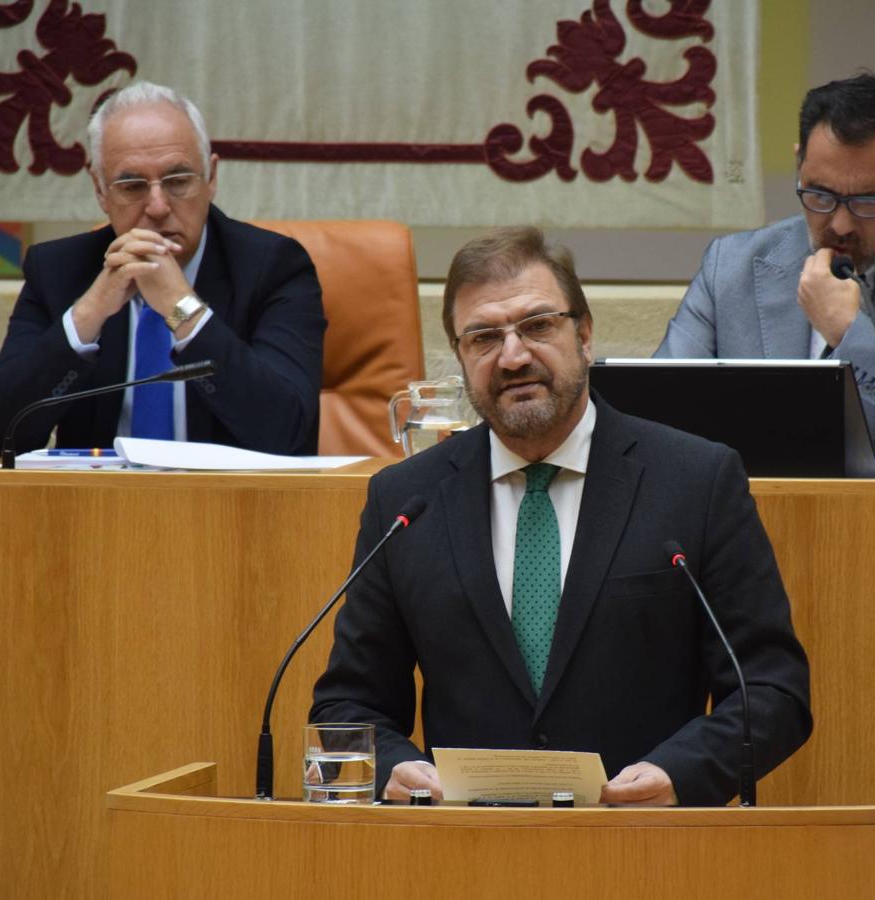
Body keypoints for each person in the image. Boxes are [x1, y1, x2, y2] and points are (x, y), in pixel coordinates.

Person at [311, 227, 811, 807]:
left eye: (537, 326)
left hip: (646, 853)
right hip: (463, 856)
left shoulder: (694, 482)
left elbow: (772, 691)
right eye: (483, 337)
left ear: (586, 335)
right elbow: (348, 705)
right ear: (460, 357)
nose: (514, 356)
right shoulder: (406, 502)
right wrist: (396, 770)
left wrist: (681, 774)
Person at [656, 73, 875, 462]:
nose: (840, 224)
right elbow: (658, 415)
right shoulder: (731, 266)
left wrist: (851, 334)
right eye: (820, 194)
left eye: (868, 201)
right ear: (799, 166)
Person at [0, 82, 325, 456]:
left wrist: (181, 307)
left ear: (210, 179)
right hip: (99, 507)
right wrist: (90, 311)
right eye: (132, 186)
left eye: (177, 182)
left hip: (229, 507)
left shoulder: (272, 267)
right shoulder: (59, 270)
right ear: (99, 190)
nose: (157, 207)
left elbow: (290, 433)